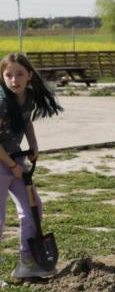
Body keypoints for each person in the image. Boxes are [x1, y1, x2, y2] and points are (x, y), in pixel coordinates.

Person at [0, 54, 63, 280]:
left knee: (33, 209)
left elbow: (26, 121)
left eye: (19, 74)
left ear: (29, 76)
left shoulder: (27, 98)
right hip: (4, 161)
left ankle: (27, 260)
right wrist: (11, 165)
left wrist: (33, 145)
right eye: (8, 75)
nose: (14, 80)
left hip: (15, 159)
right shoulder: (2, 102)